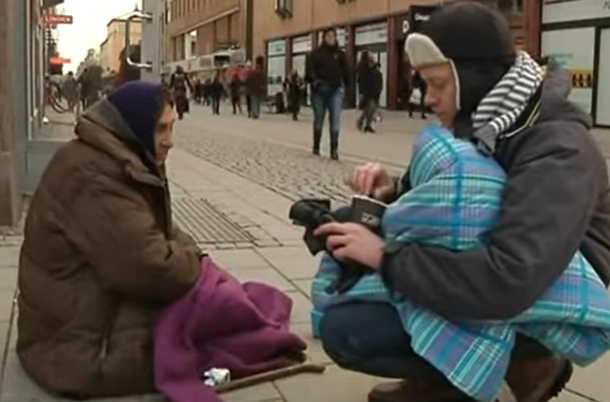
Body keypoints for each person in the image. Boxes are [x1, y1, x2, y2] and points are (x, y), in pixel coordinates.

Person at [313, 3, 610, 402]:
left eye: (438, 84)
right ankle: (454, 366)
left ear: (473, 78)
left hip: (551, 288)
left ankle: (527, 359)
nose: (428, 98)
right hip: (504, 263)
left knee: (350, 329)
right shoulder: (494, 118)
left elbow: (509, 279)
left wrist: (387, 257)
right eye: (424, 83)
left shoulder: (558, 150)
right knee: (352, 224)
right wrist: (394, 195)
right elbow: (465, 201)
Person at [17, 81, 202, 398]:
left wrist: (183, 251)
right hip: (79, 349)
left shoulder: (113, 156)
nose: (170, 142)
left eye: (172, 128)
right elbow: (156, 270)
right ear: (133, 126)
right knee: (214, 331)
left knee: (225, 303)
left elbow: (160, 231)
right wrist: (195, 255)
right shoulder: (96, 175)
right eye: (160, 129)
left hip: (70, 318)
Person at [306, 28, 350, 160]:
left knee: (335, 119)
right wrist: (316, 82)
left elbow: (347, 72)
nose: (331, 38)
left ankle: (334, 150)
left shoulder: (340, 54)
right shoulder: (315, 54)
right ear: (323, 38)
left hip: (335, 91)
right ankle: (316, 146)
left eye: (333, 36)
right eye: (328, 36)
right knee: (319, 119)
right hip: (319, 92)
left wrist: (346, 87)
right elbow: (309, 72)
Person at [358, 63, 383, 133]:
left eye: (379, 67)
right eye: (377, 67)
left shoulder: (379, 74)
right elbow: (368, 84)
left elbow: (380, 84)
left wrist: (379, 92)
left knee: (371, 111)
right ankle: (363, 122)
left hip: (376, 95)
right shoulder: (372, 74)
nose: (378, 68)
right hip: (370, 95)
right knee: (369, 110)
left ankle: (367, 125)